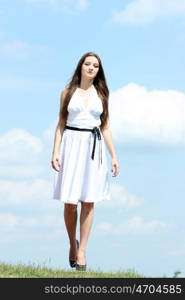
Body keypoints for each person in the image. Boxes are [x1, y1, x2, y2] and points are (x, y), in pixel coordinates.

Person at [51, 52, 119, 271]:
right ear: (80, 67)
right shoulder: (67, 92)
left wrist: (114, 156)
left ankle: (82, 252)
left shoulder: (102, 93)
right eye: (88, 64)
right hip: (71, 145)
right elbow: (61, 123)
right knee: (70, 203)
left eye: (96, 65)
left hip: (93, 146)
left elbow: (105, 126)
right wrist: (55, 152)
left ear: (99, 70)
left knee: (89, 201)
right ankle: (72, 245)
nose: (91, 68)